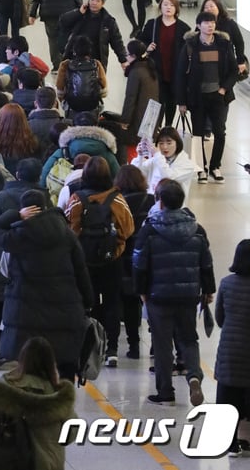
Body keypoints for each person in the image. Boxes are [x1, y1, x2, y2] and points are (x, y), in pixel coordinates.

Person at [0, 189, 93, 382]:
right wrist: (88, 301)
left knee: (30, 366)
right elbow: (81, 271)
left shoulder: (18, 236)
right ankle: (63, 402)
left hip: (26, 313)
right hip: (64, 308)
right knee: (64, 361)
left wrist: (15, 215)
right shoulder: (65, 233)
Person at [133, 178, 215, 406]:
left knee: (161, 343)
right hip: (189, 294)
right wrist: (208, 289)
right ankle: (194, 377)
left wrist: (140, 290)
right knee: (189, 338)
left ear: (159, 203)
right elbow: (206, 262)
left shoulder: (149, 230)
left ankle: (165, 392)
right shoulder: (197, 229)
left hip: (158, 295)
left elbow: (139, 263)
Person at [65, 156, 134, 367]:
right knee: (112, 303)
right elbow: (128, 228)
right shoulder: (117, 199)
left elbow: (70, 230)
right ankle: (112, 349)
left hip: (84, 261)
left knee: (88, 303)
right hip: (112, 259)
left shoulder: (76, 198)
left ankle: (90, 349)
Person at [0, 336, 77, 470]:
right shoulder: (59, 396)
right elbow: (72, 431)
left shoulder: (2, 390)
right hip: (48, 464)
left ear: (22, 359)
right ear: (50, 363)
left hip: (10, 461)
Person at [176, 11, 238, 183]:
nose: (210, 25)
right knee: (198, 134)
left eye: (212, 22)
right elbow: (180, 74)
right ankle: (200, 168)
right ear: (198, 26)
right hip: (197, 97)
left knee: (220, 132)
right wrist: (181, 101)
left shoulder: (224, 44)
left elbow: (233, 70)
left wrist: (224, 88)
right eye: (206, 22)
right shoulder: (190, 45)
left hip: (218, 96)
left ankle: (215, 166)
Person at [113, 165, 155, 360]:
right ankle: (156, 343)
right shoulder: (153, 201)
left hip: (127, 259)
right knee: (153, 302)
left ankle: (134, 346)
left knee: (130, 303)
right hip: (151, 259)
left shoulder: (118, 204)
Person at [214, 240, 250, 457]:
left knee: (228, 394)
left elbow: (220, 318)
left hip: (230, 349)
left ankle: (230, 443)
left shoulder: (227, 284)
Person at [138, 0, 191, 125]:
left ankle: (168, 126)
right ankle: (155, 127)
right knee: (156, 100)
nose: (168, 8)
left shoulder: (184, 28)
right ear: (160, 6)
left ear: (176, 9)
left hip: (175, 70)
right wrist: (147, 48)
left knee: (172, 100)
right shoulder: (152, 24)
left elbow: (188, 51)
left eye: (172, 5)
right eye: (165, 4)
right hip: (156, 70)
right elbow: (140, 43)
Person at [59, 0, 128, 72]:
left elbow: (117, 41)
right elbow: (63, 21)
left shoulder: (108, 21)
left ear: (103, 3)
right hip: (75, 57)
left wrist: (123, 59)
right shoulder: (80, 14)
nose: (94, 3)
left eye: (98, 1)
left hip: (97, 60)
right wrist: (78, 13)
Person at [131, 125, 195, 199]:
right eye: (161, 143)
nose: (165, 147)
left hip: (173, 208)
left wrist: (157, 155)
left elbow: (169, 179)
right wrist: (140, 156)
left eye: (169, 143)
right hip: (153, 206)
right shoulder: (156, 160)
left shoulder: (187, 165)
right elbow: (137, 175)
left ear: (177, 143)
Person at [199, 0, 247, 77]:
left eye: (211, 6)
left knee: (226, 85)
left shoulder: (229, 23)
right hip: (206, 62)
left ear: (219, 8)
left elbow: (239, 43)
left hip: (226, 61)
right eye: (206, 7)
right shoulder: (201, 24)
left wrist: (241, 61)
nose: (209, 9)